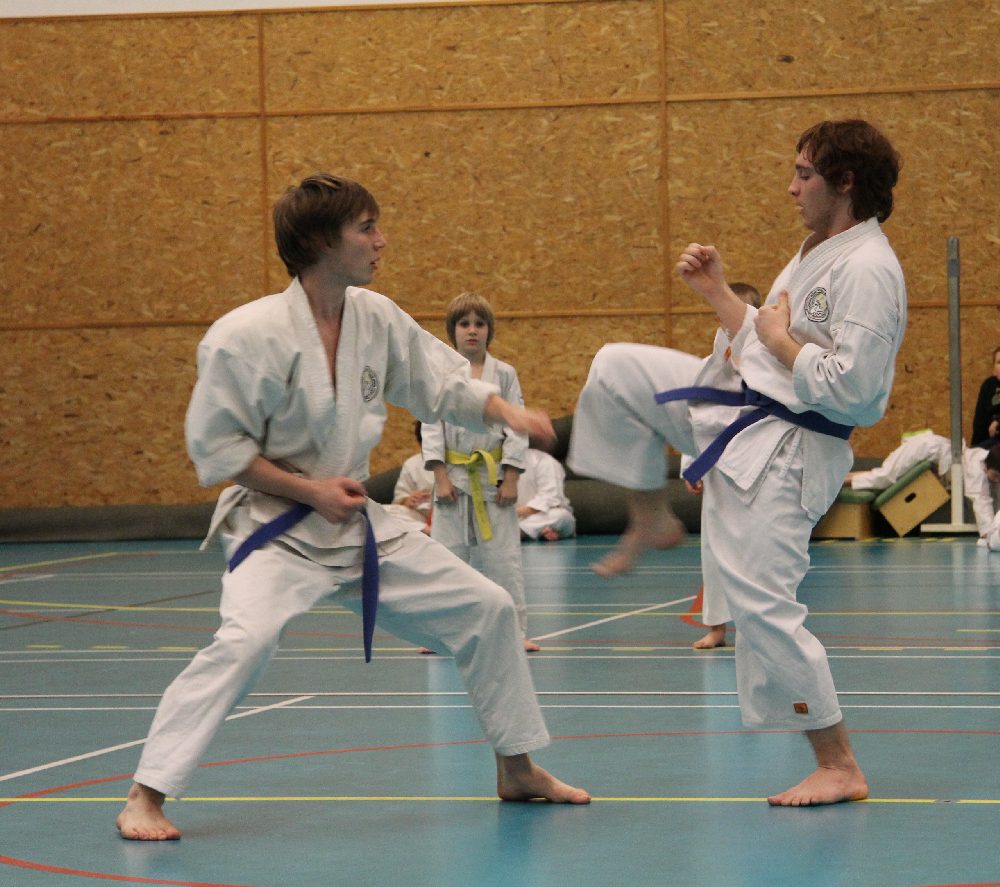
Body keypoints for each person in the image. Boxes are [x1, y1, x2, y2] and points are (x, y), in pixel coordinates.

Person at [116, 174, 589, 842]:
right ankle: (145, 794)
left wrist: (505, 410)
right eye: (366, 228)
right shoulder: (245, 336)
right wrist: (310, 491)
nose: (381, 240)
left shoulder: (374, 316)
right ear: (319, 241)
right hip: (275, 527)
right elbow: (218, 451)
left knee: (489, 609)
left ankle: (517, 768)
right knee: (244, 642)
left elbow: (440, 381)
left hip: (357, 524)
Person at [568, 119, 905, 806]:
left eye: (804, 174)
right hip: (740, 411)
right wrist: (720, 294)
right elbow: (763, 342)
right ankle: (649, 513)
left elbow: (859, 391)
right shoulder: (816, 250)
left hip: (791, 449)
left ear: (844, 182)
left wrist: (780, 342)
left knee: (761, 606)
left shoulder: (869, 268)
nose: (792, 188)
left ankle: (839, 763)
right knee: (616, 367)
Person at [422, 293, 540, 652]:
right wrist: (440, 476)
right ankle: (442, 634)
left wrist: (512, 477)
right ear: (452, 331)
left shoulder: (504, 374)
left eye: (479, 324)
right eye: (464, 324)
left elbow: (517, 426)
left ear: (489, 330)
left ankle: (514, 632)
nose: (472, 331)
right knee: (446, 559)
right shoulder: (440, 372)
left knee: (503, 561)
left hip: (493, 480)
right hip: (453, 479)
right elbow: (431, 423)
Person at [681, 282, 761, 650]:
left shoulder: (767, 364)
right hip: (715, 471)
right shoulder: (707, 368)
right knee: (714, 552)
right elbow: (693, 419)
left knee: (756, 552)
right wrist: (691, 465)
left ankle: (757, 626)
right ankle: (716, 627)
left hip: (757, 469)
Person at [383, 420, 434, 533]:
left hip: (451, 520)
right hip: (422, 521)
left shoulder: (460, 464)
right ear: (420, 443)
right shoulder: (412, 465)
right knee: (386, 511)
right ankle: (429, 532)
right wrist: (408, 500)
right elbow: (398, 503)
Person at [516, 448, 576, 541]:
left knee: (562, 516)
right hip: (503, 519)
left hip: (533, 517)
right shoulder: (494, 462)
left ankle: (518, 532)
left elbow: (549, 499)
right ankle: (537, 530)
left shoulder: (543, 460)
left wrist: (513, 514)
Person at [970, 346, 1000, 449]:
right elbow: (979, 423)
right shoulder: (989, 386)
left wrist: (998, 420)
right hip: (989, 444)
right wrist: (975, 449)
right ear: (994, 370)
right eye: (999, 362)